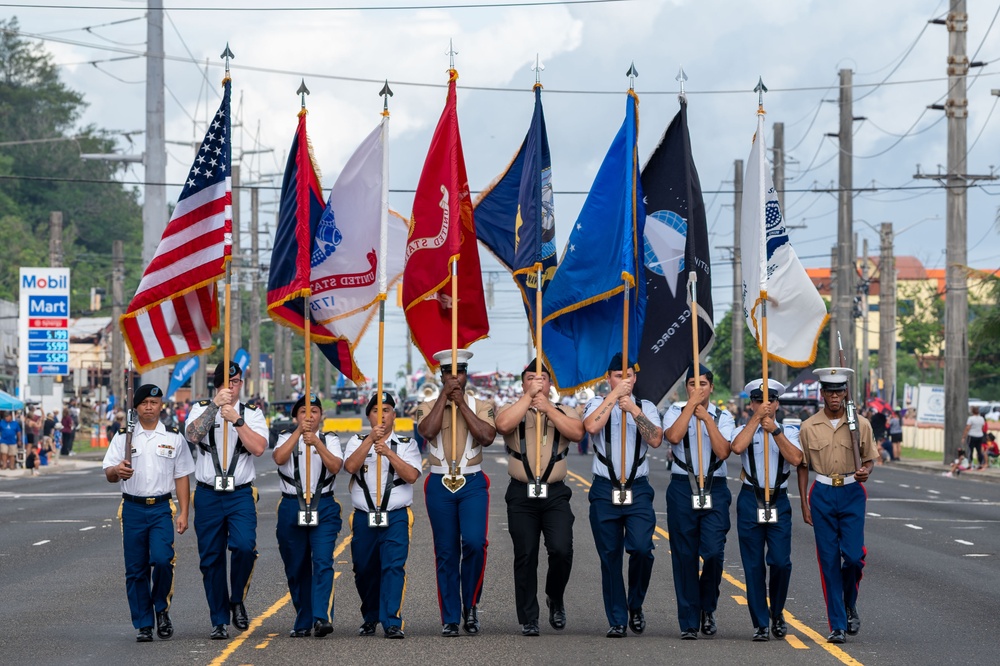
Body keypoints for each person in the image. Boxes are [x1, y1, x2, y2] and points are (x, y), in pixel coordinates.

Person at [495, 359, 584, 636]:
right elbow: (503, 425)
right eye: (531, 378)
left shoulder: (565, 410)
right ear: (523, 383)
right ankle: (529, 617)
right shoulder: (511, 409)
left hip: (555, 493)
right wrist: (528, 398)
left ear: (550, 383)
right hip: (521, 494)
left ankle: (554, 597)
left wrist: (547, 408)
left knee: (561, 549)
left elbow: (577, 433)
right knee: (526, 554)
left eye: (542, 378)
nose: (538, 382)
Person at [102, 384, 194, 642]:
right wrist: (117, 471)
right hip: (132, 508)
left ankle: (161, 609)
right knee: (136, 569)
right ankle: (143, 623)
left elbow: (182, 476)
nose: (149, 407)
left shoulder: (174, 437)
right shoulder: (124, 437)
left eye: (154, 402)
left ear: (161, 405)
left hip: (161, 508)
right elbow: (109, 473)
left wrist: (184, 512)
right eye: (144, 403)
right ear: (137, 406)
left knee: (164, 560)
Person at [416, 349, 496, 637]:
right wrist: (444, 398)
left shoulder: (482, 404)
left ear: (466, 374)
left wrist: (461, 403)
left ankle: (470, 605)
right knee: (447, 552)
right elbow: (427, 431)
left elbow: (487, 437)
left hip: (472, 482)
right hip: (439, 484)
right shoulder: (426, 405)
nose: (455, 378)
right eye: (449, 373)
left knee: (475, 543)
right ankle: (450, 617)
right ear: (441, 376)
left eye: (459, 372)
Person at [185, 361, 268, 640]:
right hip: (208, 493)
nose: (231, 387)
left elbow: (257, 448)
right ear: (216, 384)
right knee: (211, 559)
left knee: (244, 547)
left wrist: (237, 419)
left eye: (236, 382)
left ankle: (237, 598)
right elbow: (193, 435)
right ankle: (219, 619)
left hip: (240, 492)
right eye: (226, 382)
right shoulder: (200, 408)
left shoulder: (251, 413)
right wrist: (214, 408)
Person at [583, 354, 663, 638]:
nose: (624, 380)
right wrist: (615, 398)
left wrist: (634, 410)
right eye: (618, 375)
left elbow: (655, 439)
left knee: (642, 549)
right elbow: (591, 427)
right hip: (605, 489)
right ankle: (617, 618)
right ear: (608, 378)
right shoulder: (596, 404)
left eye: (628, 375)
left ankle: (635, 604)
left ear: (635, 378)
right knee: (610, 556)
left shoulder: (646, 406)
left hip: (637, 489)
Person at [797, 367, 876, 644]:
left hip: (852, 491)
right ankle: (837, 625)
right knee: (828, 561)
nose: (834, 396)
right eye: (829, 391)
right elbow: (803, 466)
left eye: (839, 391)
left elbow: (869, 459)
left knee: (853, 557)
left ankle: (848, 599)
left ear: (845, 393)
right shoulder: (808, 427)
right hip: (822, 494)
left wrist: (866, 470)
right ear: (822, 394)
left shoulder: (860, 424)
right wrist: (804, 502)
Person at [662, 364, 735, 640]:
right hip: (683, 487)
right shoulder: (675, 411)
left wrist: (706, 419)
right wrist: (690, 408)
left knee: (714, 552)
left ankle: (708, 606)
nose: (698, 389)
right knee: (684, 556)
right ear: (686, 387)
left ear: (711, 387)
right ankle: (690, 621)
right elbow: (673, 437)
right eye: (692, 384)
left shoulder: (722, 415)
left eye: (703, 384)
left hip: (714, 487)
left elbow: (723, 451)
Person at [344, 392, 421, 639]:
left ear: (394, 415)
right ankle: (370, 616)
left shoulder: (407, 444)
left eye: (387, 410)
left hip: (396, 516)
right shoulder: (357, 441)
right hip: (365, 516)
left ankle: (391, 620)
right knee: (364, 569)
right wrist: (369, 442)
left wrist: (388, 452)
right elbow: (350, 467)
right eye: (376, 410)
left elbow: (411, 476)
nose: (382, 415)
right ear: (369, 416)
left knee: (393, 567)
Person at [730, 379, 803, 641]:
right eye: (759, 401)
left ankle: (778, 611)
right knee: (753, 566)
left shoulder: (790, 430)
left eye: (770, 401)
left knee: (781, 562)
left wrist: (775, 431)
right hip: (751, 498)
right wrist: (756, 421)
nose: (765, 405)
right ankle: (760, 622)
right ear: (751, 404)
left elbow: (796, 459)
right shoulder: (742, 428)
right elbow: (736, 447)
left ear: (778, 403)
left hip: (778, 499)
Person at [273, 394, 343, 638]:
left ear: (321, 416)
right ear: (295, 417)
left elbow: (335, 467)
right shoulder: (284, 437)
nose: (309, 416)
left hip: (323, 505)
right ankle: (303, 618)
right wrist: (298, 435)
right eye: (303, 412)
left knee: (322, 562)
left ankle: (321, 617)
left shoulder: (329, 439)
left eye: (314, 411)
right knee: (296, 566)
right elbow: (279, 458)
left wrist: (317, 443)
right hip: (292, 506)